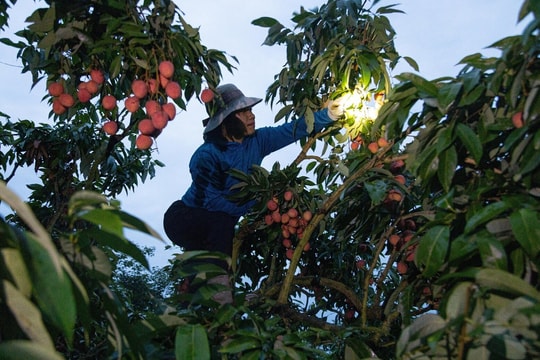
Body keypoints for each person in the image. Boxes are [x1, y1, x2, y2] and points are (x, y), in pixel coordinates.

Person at [163, 83, 347, 305]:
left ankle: (198, 301)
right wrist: (260, 203)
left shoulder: (257, 141)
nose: (251, 116)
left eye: (250, 110)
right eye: (243, 112)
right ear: (226, 120)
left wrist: (327, 115)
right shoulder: (206, 156)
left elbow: (291, 130)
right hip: (183, 218)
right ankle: (223, 299)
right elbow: (211, 201)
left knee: (203, 267)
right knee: (221, 223)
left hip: (211, 231)